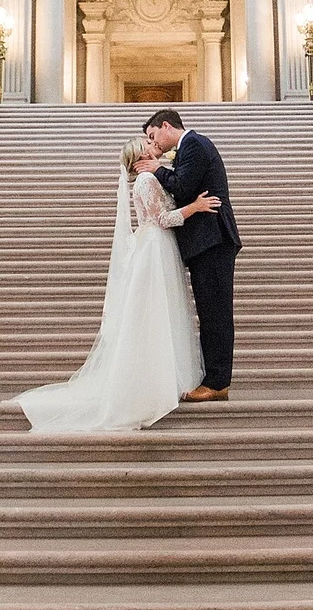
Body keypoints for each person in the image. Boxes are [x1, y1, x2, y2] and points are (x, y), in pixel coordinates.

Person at [14, 136, 211, 432]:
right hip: (155, 247)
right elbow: (161, 219)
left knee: (160, 312)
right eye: (147, 143)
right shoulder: (146, 180)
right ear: (140, 155)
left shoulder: (150, 177)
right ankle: (150, 382)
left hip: (157, 247)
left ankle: (161, 377)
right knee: (154, 312)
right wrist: (195, 207)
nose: (153, 144)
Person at [144, 108, 241, 402]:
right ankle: (214, 378)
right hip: (205, 242)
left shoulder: (194, 144)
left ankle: (217, 382)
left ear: (166, 125)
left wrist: (156, 169)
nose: (154, 143)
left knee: (215, 314)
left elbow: (183, 186)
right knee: (210, 313)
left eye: (153, 136)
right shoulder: (189, 147)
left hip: (212, 240)